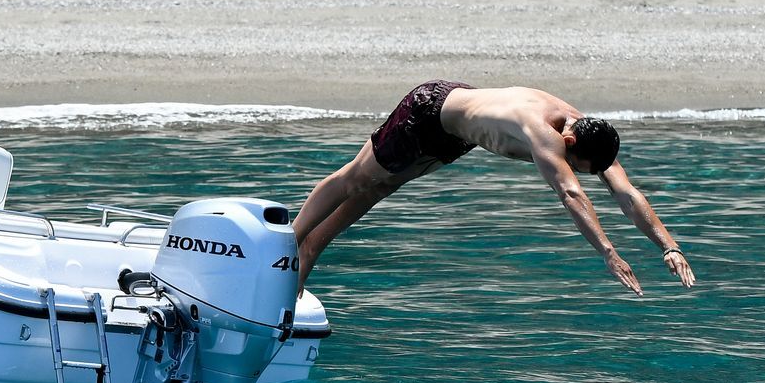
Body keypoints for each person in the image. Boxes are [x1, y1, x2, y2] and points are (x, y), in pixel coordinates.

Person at [292, 80, 695, 294]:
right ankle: (290, 240)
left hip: (457, 134)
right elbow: (571, 194)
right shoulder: (546, 133)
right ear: (568, 144)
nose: (574, 172)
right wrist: (609, 253)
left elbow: (625, 192)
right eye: (575, 166)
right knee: (357, 178)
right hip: (428, 112)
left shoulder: (591, 134)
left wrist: (669, 245)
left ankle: (311, 250)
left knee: (379, 189)